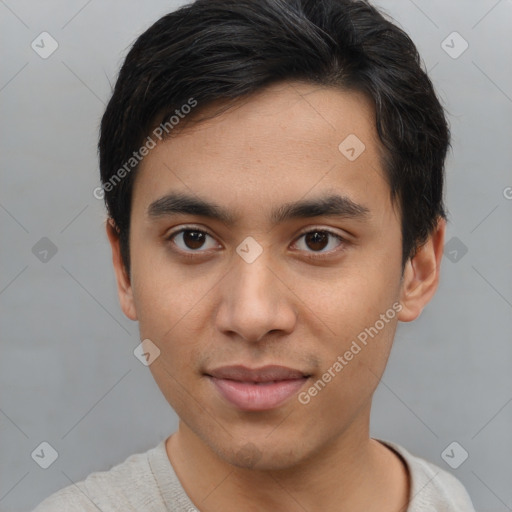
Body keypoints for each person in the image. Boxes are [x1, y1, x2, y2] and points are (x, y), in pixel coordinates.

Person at [33, 0, 476, 510]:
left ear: (418, 268)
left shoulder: (446, 499)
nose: (251, 315)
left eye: (317, 240)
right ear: (124, 267)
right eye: (193, 239)